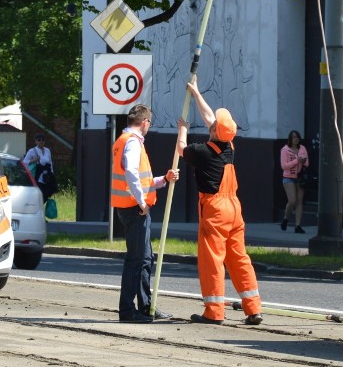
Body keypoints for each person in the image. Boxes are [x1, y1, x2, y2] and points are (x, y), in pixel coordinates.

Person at [177, 77, 263, 326]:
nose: (211, 123)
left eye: (215, 124)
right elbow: (210, 120)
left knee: (212, 259)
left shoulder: (202, 152)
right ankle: (253, 308)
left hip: (214, 208)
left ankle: (214, 311)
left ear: (215, 132)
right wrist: (196, 93)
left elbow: (182, 148)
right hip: (235, 208)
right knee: (239, 257)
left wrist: (182, 127)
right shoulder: (229, 147)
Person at [111, 104, 180, 323]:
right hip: (134, 209)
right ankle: (128, 310)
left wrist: (164, 180)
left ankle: (145, 306)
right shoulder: (132, 142)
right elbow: (131, 172)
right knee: (136, 259)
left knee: (144, 259)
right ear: (145, 122)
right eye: (150, 122)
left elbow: (142, 179)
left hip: (130, 207)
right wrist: (141, 202)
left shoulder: (124, 141)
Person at [280, 130, 310, 234]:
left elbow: (307, 163)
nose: (296, 139)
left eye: (297, 137)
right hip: (288, 177)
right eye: (293, 137)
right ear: (290, 139)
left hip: (300, 177)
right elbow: (284, 166)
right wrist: (297, 161)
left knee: (299, 201)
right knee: (292, 200)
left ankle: (298, 225)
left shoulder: (302, 148)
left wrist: (303, 161)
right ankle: (285, 218)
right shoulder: (285, 150)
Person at [23, 133, 57, 200]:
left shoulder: (47, 150)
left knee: (47, 195)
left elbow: (50, 163)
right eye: (39, 140)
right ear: (36, 141)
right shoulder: (32, 151)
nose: (41, 141)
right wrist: (33, 160)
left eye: (43, 140)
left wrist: (52, 174)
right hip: (38, 177)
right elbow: (24, 163)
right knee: (40, 195)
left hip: (48, 176)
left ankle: (42, 208)